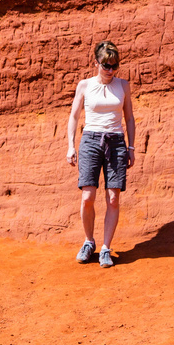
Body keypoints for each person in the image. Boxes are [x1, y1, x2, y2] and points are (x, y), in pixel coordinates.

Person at [66, 40, 136, 269]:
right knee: (87, 197)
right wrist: (71, 146)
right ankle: (89, 242)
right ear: (96, 62)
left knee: (113, 197)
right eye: (106, 65)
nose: (110, 70)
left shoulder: (123, 85)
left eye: (114, 66)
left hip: (116, 142)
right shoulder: (84, 85)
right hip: (91, 140)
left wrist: (131, 147)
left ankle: (106, 248)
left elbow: (129, 118)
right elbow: (74, 116)